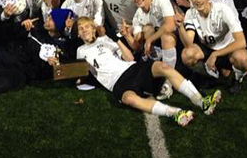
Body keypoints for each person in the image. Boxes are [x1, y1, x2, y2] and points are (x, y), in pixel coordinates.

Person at [76, 16, 222, 127]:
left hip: (132, 68)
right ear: (78, 35)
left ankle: (201, 101)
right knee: (129, 99)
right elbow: (79, 74)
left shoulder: (106, 40)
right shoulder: (80, 51)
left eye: (87, 27)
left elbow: (129, 57)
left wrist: (115, 39)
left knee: (163, 66)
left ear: (94, 28)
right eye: (81, 29)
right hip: (117, 84)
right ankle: (175, 113)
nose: (84, 30)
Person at [178, 0, 247, 94]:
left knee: (243, 58)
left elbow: (242, 42)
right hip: (208, 48)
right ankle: (211, 75)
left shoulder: (223, 10)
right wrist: (180, 27)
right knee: (187, 55)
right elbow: (188, 44)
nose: (198, 0)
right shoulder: (190, 13)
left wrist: (215, 54)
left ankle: (237, 79)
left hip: (228, 48)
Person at [130, 0, 177, 100]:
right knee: (147, 29)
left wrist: (150, 39)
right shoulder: (137, 15)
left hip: (179, 34)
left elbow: (170, 25)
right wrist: (129, 34)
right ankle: (154, 65)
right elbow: (138, 42)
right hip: (159, 41)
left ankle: (168, 83)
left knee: (166, 37)